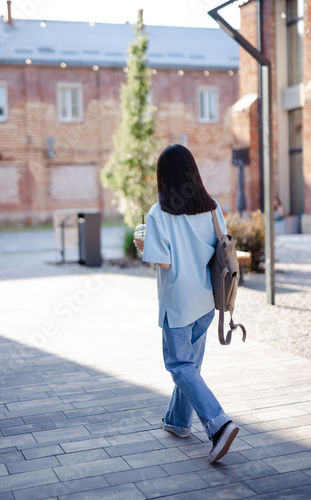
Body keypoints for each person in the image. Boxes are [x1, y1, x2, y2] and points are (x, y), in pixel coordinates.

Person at [134, 144, 239, 464]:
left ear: (164, 177)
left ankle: (218, 424)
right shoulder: (211, 207)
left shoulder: (158, 214)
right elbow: (219, 245)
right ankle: (178, 422)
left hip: (178, 304)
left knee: (179, 366)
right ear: (192, 171)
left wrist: (142, 242)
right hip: (207, 299)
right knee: (189, 366)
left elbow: (162, 263)